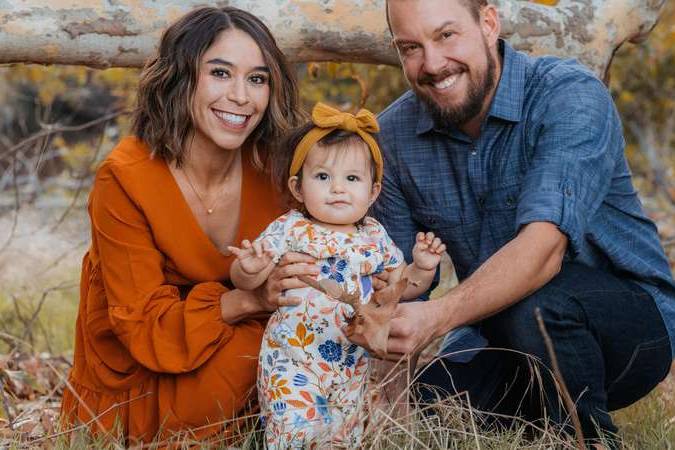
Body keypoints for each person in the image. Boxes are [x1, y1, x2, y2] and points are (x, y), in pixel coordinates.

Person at [358, 0, 675, 445]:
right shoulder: (389, 139)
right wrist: (387, 412)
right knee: (432, 402)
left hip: (629, 328)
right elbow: (393, 286)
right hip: (498, 332)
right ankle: (536, 422)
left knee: (540, 305)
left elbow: (544, 251)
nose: (431, 64)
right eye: (410, 47)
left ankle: (588, 439)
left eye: (446, 35)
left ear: (488, 23)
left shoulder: (568, 95)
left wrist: (438, 317)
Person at [59, 6, 315, 445]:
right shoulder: (124, 178)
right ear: (181, 77)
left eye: (257, 79)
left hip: (242, 365)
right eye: (220, 73)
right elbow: (142, 326)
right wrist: (248, 300)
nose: (241, 97)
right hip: (139, 380)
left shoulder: (277, 173)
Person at [227, 102, 447, 448]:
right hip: (293, 357)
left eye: (352, 178)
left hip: (350, 362)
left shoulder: (374, 237)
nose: (338, 189)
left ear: (372, 191)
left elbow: (400, 289)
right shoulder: (291, 228)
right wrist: (249, 269)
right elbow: (246, 281)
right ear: (298, 188)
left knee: (343, 436)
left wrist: (422, 267)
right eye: (323, 177)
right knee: (294, 430)